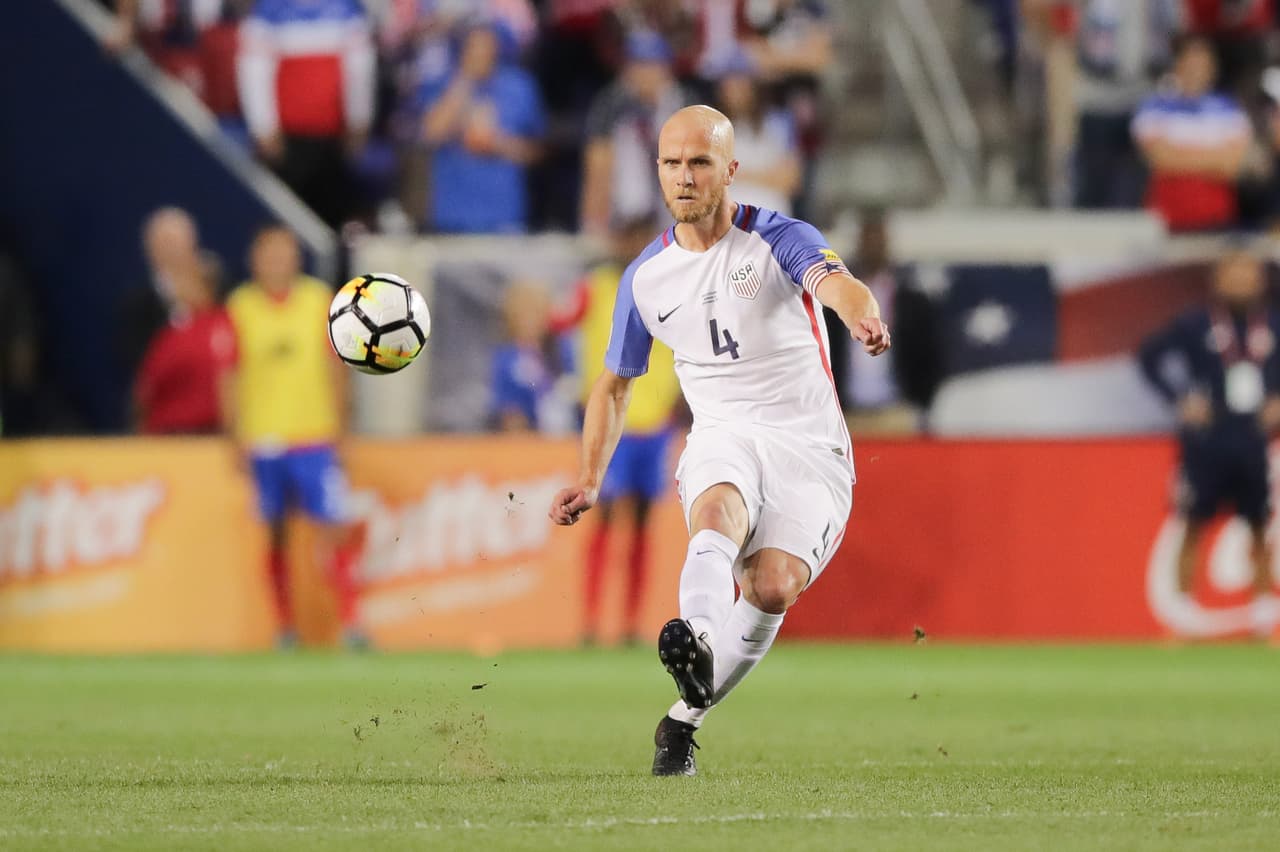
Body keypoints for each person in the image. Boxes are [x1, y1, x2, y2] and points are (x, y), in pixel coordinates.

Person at [549, 105, 891, 776]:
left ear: (730, 170)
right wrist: (591, 477)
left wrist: (864, 318)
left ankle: (683, 719)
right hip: (722, 432)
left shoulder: (778, 236)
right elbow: (614, 386)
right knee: (716, 513)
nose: (684, 177)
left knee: (773, 587)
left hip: (808, 446)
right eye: (672, 164)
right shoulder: (646, 277)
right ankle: (698, 636)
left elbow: (838, 284)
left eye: (699, 162)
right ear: (657, 171)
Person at [223, 225, 365, 649]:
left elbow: (337, 368)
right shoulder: (240, 307)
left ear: (296, 259)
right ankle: (285, 626)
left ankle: (351, 623)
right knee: (275, 533)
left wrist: (342, 427)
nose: (277, 263)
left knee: (333, 526)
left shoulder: (319, 301)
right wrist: (234, 437)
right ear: (255, 261)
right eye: (269, 255)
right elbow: (229, 375)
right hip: (263, 437)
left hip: (314, 435)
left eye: (284, 254)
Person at [1138, 249, 1280, 638]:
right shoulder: (1196, 323)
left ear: (1261, 278)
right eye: (1232, 271)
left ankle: (1264, 621)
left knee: (1258, 526)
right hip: (1207, 437)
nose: (1240, 279)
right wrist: (1179, 398)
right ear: (1217, 278)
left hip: (1253, 436)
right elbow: (1148, 356)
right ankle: (1180, 619)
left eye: (1248, 271)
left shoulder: (1272, 324)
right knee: (1192, 522)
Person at [557, 216, 683, 645]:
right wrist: (569, 385)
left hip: (655, 425)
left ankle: (630, 625)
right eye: (628, 234)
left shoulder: (672, 285)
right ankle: (590, 624)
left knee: (642, 526)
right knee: (604, 520)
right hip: (614, 423)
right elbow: (555, 328)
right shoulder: (596, 286)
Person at [236, 0, 376, 227]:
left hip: (333, 136)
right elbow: (254, 69)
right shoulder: (270, 9)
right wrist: (263, 127)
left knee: (331, 217)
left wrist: (359, 121)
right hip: (288, 138)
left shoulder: (347, 7)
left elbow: (360, 67)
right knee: (287, 220)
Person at [419, 19, 546, 233]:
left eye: (487, 47)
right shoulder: (443, 84)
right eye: (474, 47)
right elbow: (430, 134)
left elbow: (538, 150)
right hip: (452, 217)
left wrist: (497, 144)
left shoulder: (519, 87)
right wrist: (465, 81)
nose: (481, 54)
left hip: (505, 216)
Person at [824, 211, 942, 434]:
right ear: (859, 244)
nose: (873, 247)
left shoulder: (912, 301)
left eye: (879, 241)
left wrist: (919, 402)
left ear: (888, 245)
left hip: (897, 412)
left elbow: (931, 356)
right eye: (868, 240)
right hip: (845, 415)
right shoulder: (836, 299)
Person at [1131, 34, 1251, 232]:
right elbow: (1159, 158)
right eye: (1190, 63)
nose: (1195, 71)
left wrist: (1180, 155)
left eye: (1202, 64)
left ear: (1213, 68)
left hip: (1217, 219)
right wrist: (1213, 159)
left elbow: (1232, 165)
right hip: (1166, 219)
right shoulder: (1154, 106)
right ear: (1178, 65)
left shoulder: (1230, 109)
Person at [579, 30, 692, 237]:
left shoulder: (686, 103)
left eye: (652, 65)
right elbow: (598, 168)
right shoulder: (610, 105)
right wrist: (593, 225)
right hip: (624, 220)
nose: (645, 74)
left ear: (667, 68)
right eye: (638, 65)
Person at [135, 251, 235, 434]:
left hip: (201, 435)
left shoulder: (219, 326)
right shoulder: (173, 329)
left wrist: (229, 433)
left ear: (204, 285)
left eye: (184, 279)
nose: (176, 286)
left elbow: (226, 381)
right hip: (162, 434)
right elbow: (146, 387)